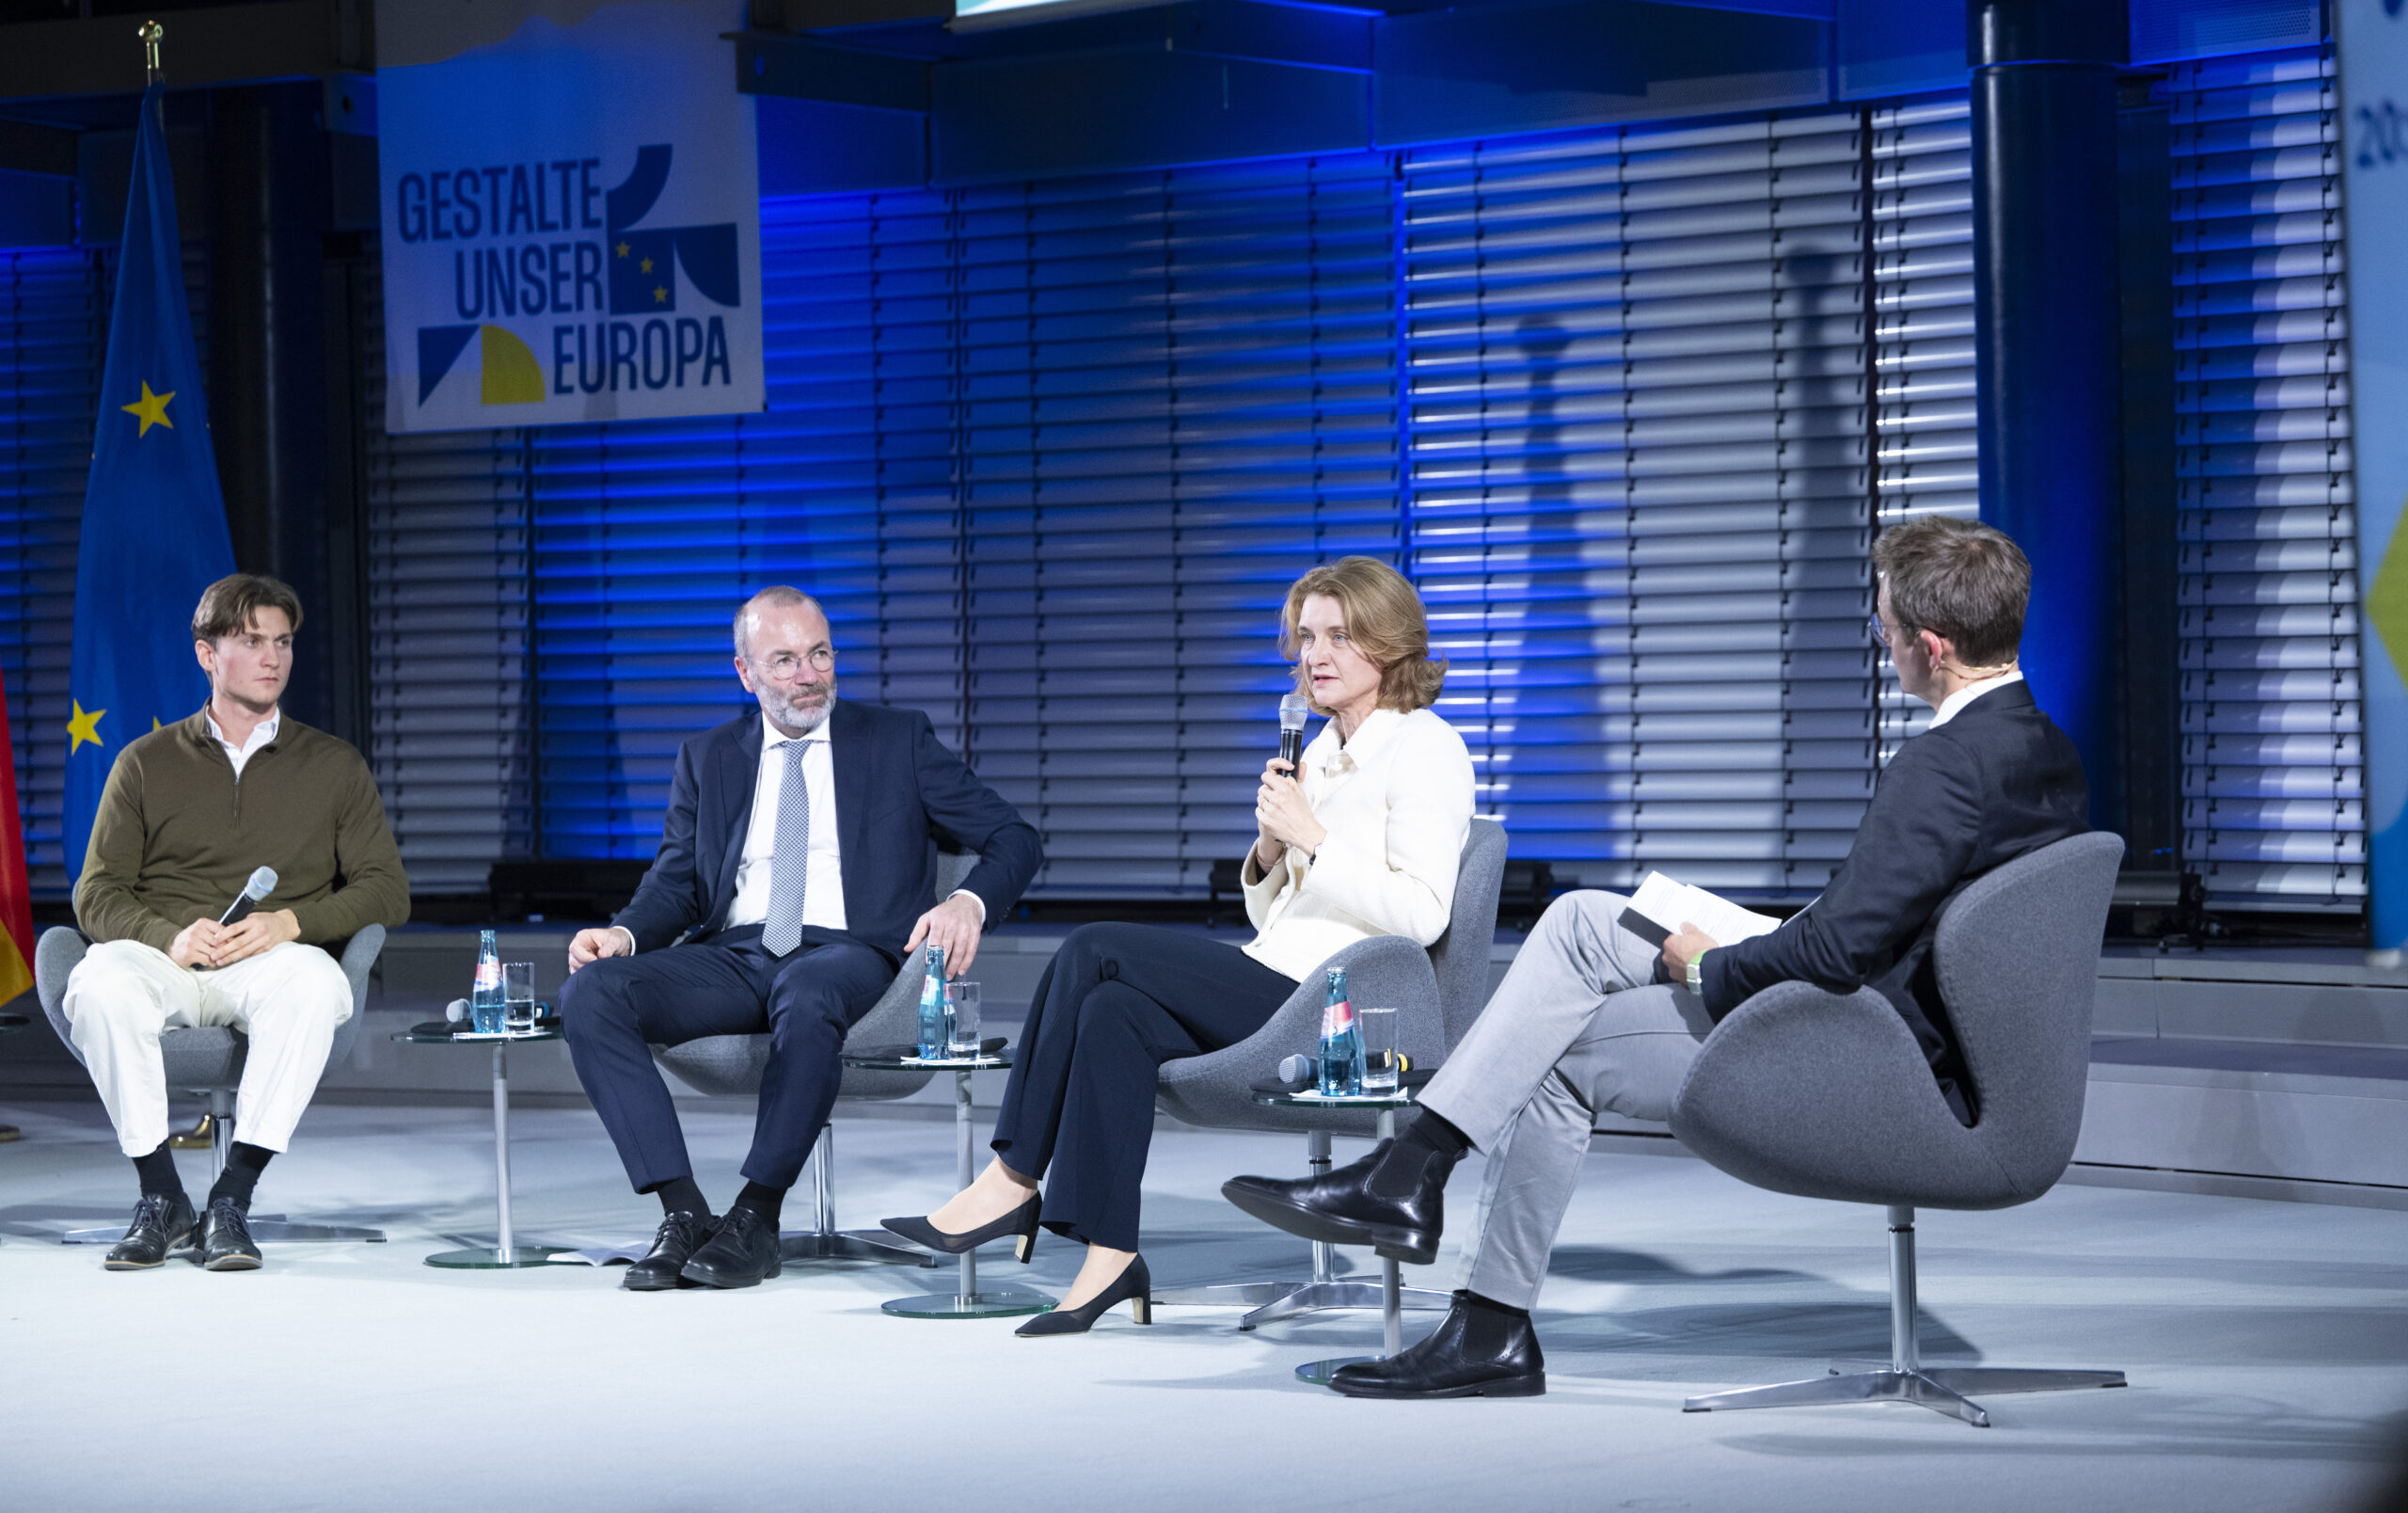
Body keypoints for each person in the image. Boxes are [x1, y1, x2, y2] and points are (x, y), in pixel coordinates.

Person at [1224, 516, 2089, 1397]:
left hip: (1876, 1052)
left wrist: (1710, 966)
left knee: (1563, 1010)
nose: (1886, 646)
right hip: (1915, 1029)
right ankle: (1431, 1212)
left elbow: (1840, 949)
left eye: (1885, 630)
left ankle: (1436, 1220)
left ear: (1931, 646)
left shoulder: (1941, 766)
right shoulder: (2042, 746)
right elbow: (1877, 923)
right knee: (1586, 923)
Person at [885, 556, 1475, 1336]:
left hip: (1350, 1009)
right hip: (1281, 974)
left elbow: (1422, 916)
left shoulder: (1427, 748)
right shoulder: (1323, 751)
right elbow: (1280, 922)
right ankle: (1108, 1255)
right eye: (1305, 637)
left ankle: (1012, 1177)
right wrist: (1269, 854)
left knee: (1093, 946)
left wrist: (1315, 839)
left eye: (1340, 636)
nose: (1315, 656)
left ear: (1391, 644)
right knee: (1112, 1011)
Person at [559, 587, 1042, 1292]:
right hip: (737, 952)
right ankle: (685, 1212)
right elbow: (678, 885)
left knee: (807, 986)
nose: (808, 675)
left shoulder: (896, 740)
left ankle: (756, 1218)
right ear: (745, 672)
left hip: (849, 953)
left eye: (819, 654)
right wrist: (625, 934)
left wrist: (968, 901)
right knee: (591, 992)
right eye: (783, 661)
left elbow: (1015, 838)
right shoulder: (710, 757)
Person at [64, 573, 410, 1271]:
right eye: (251, 641)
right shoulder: (143, 763)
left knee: (314, 984)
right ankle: (161, 1196)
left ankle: (232, 1197)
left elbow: (387, 890)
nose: (272, 658)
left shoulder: (334, 765)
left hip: (271, 963)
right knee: (98, 980)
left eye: (281, 642)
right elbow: (96, 892)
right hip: (170, 960)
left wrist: (293, 922)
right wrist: (168, 936)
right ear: (207, 654)